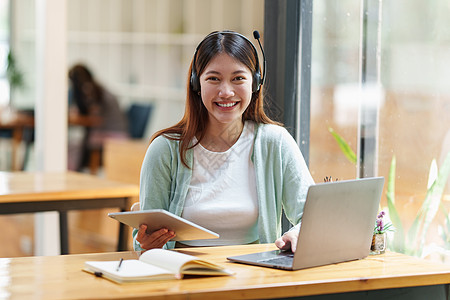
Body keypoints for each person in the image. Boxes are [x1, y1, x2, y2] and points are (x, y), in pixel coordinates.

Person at [134, 30, 314, 252]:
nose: (226, 92)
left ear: (255, 83)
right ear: (196, 84)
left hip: (255, 275)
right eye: (214, 79)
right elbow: (143, 238)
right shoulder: (166, 149)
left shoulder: (275, 142)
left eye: (238, 78)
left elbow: (313, 216)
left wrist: (297, 233)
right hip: (183, 273)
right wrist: (147, 243)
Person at [68, 64, 128, 172]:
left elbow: (95, 119)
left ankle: (72, 173)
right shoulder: (96, 88)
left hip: (114, 134)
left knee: (74, 147)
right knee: (76, 143)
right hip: (111, 131)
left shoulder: (93, 91)